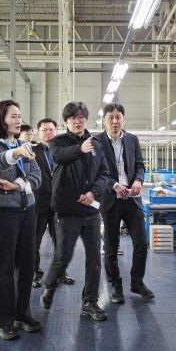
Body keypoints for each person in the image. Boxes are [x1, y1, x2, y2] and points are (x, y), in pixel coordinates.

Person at [40, 102, 110, 321]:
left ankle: (89, 302)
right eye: (73, 118)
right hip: (67, 210)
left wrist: (93, 193)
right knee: (63, 256)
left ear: (86, 120)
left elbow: (104, 173)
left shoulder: (97, 144)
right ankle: (50, 286)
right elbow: (59, 157)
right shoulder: (57, 142)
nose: (77, 121)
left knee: (94, 259)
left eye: (81, 118)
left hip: (91, 210)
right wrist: (80, 149)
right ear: (66, 122)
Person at [0, 100, 42, 340]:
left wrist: (17, 185)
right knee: (3, 266)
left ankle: (22, 314)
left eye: (19, 116)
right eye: (13, 116)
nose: (18, 120)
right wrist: (17, 153)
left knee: (27, 264)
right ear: (1, 119)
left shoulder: (23, 145)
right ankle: (2, 321)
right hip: (4, 211)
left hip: (28, 209)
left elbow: (36, 177)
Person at [95, 103, 153, 304]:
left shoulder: (131, 139)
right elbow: (95, 172)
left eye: (118, 117)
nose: (115, 121)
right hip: (110, 201)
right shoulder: (96, 142)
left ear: (123, 119)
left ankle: (137, 282)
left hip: (132, 200)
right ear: (104, 120)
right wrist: (113, 185)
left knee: (141, 244)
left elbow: (140, 165)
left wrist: (138, 181)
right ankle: (115, 285)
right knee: (111, 247)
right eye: (110, 118)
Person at [32, 118, 74, 288]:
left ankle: (61, 273)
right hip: (38, 203)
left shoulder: (63, 151)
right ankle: (35, 274)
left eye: (51, 129)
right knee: (34, 242)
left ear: (56, 131)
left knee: (61, 241)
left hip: (60, 203)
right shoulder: (31, 151)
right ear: (38, 133)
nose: (48, 133)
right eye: (44, 130)